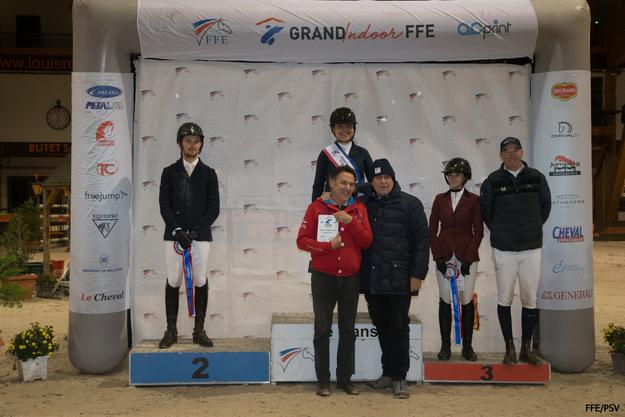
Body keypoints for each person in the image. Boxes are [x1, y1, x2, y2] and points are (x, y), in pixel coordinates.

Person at [296, 165, 373, 397]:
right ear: (331, 183)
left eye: (351, 184)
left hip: (350, 279)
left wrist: (351, 222)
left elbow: (368, 241)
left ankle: (344, 379)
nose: (347, 188)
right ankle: (323, 381)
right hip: (323, 278)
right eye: (343, 183)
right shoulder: (316, 208)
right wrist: (327, 247)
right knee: (322, 329)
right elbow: (302, 241)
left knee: (348, 330)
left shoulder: (359, 209)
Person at [360, 159, 429, 399]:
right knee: (382, 326)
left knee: (398, 327)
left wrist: (417, 274)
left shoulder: (411, 204)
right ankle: (388, 373)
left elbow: (422, 242)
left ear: (394, 179)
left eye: (386, 177)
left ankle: (400, 377)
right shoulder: (364, 204)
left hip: (400, 279)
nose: (382, 181)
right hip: (373, 279)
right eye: (377, 178)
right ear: (372, 182)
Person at [480, 137, 551, 365]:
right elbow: (487, 214)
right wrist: (503, 233)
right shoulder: (492, 181)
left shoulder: (537, 177)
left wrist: (530, 228)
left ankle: (525, 349)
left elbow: (545, 208)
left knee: (530, 299)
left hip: (532, 249)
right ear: (501, 155)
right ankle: (509, 348)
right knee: (505, 298)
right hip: (504, 250)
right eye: (506, 151)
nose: (511, 155)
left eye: (515, 150)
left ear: (521, 152)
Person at [158, 122, 220, 349]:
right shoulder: (168, 172)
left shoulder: (209, 174)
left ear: (201, 144)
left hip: (200, 237)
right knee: (173, 279)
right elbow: (164, 204)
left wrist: (195, 232)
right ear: (180, 143)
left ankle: (199, 330)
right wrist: (177, 231)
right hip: (173, 237)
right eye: (187, 141)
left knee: (201, 279)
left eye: (196, 141)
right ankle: (171, 330)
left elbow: (214, 208)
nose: (192, 145)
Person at [428, 158, 483, 362]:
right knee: (445, 299)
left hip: (466, 257)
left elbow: (478, 233)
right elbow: (432, 230)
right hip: (444, 257)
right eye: (449, 174)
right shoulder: (439, 199)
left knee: (466, 300)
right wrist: (438, 256)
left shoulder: (474, 201)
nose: (452, 178)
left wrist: (468, 258)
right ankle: (445, 346)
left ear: (465, 177)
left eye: (457, 174)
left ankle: (467, 346)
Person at [311, 107, 373, 201]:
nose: (344, 130)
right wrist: (315, 209)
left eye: (348, 126)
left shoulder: (363, 153)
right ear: (333, 129)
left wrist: (356, 187)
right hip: (332, 205)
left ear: (354, 128)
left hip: (357, 203)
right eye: (340, 126)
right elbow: (318, 186)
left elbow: (374, 182)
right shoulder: (325, 154)